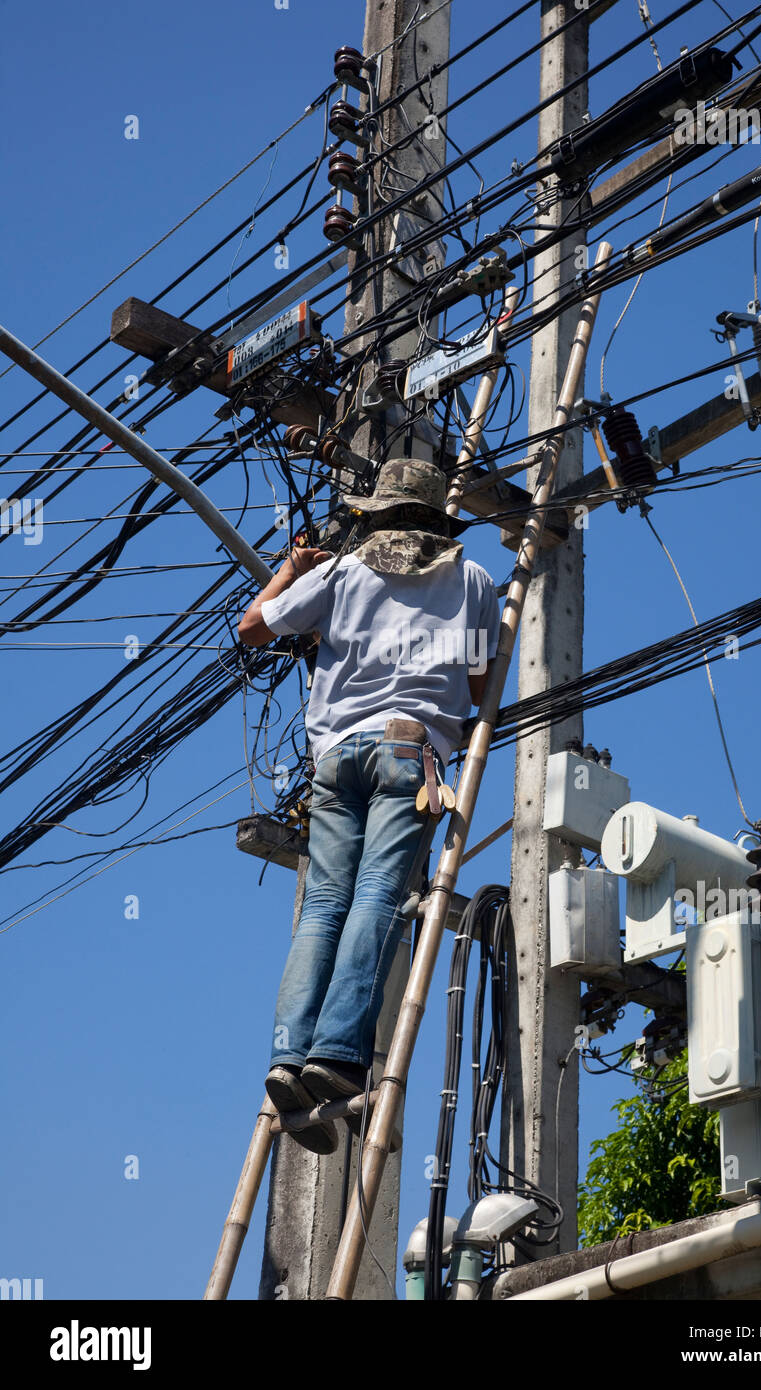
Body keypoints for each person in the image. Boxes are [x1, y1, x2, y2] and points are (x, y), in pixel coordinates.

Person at [238, 458, 501, 1153]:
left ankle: (288, 1055)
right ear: (437, 524)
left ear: (376, 516)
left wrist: (292, 568)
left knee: (323, 905)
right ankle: (337, 1053)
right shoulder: (472, 579)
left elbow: (252, 628)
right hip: (411, 752)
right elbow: (477, 688)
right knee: (378, 899)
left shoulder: (343, 572)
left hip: (335, 758)